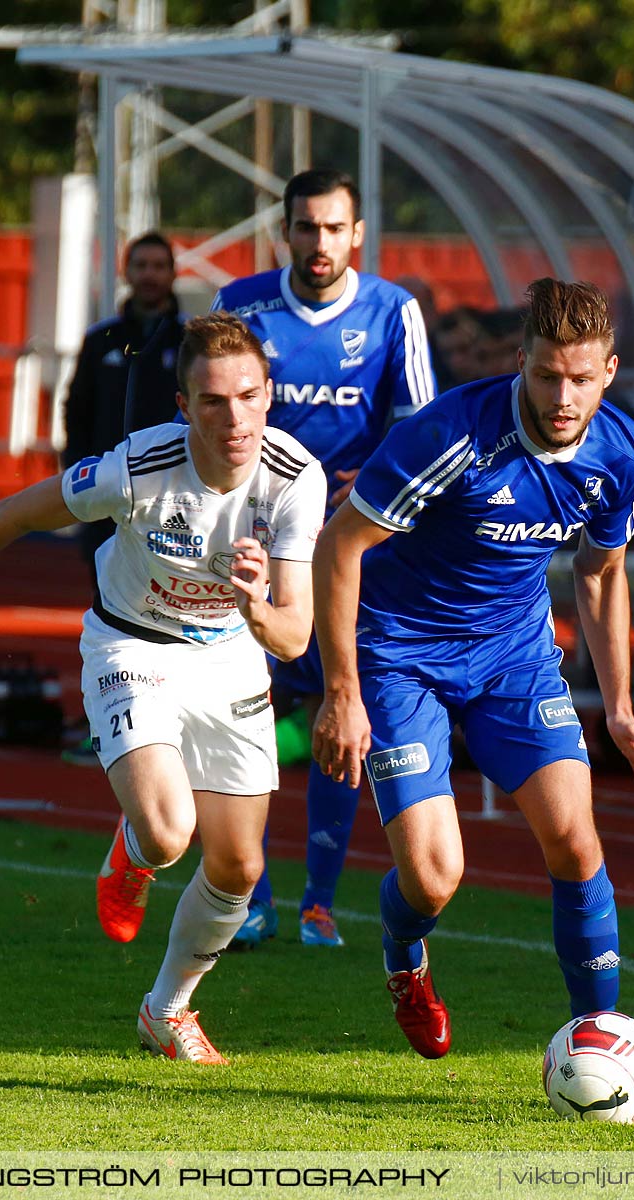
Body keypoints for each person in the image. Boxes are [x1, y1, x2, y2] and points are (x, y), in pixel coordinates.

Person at [0, 313, 325, 1064]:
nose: (232, 417)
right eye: (211, 401)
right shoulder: (136, 467)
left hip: (233, 651)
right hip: (131, 642)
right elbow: (16, 513)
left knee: (240, 867)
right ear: (183, 406)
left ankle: (166, 1012)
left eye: (247, 396)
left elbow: (296, 636)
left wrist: (252, 605)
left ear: (270, 395)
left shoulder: (295, 479)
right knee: (170, 833)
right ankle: (133, 852)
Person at [311, 277, 634, 1059]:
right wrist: (343, 693)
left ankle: (596, 1041)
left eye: (581, 378)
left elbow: (601, 573)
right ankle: (406, 957)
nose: (563, 395)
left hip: (515, 659)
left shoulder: (622, 455)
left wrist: (618, 705)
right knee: (436, 877)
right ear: (520, 364)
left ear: (610, 371)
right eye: (546, 375)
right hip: (403, 658)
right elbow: (339, 546)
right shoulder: (451, 436)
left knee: (574, 840)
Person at [210, 168, 436, 950]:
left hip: (343, 551)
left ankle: (319, 902)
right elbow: (209, 410)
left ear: (358, 234)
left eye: (333, 228)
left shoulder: (393, 313)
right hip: (250, 543)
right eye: (305, 227)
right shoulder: (239, 305)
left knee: (339, 708)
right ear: (286, 230)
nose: (318, 243)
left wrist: (364, 483)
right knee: (239, 711)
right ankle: (252, 896)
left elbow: (419, 433)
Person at [62, 231, 186, 590]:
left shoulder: (190, 341)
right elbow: (76, 411)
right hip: (109, 489)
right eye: (141, 266)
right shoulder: (100, 340)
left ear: (173, 273)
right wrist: (78, 469)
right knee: (107, 597)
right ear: (126, 272)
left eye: (159, 266)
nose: (150, 275)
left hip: (172, 494)